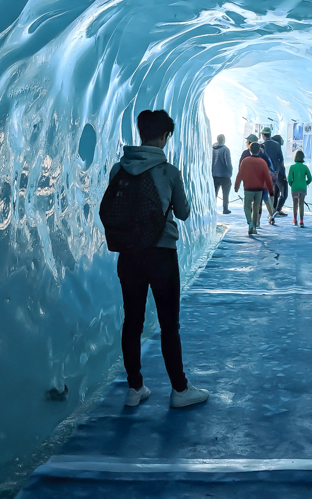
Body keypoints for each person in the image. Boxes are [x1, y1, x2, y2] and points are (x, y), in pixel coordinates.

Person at [107, 109, 209, 409]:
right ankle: (179, 389)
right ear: (165, 137)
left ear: (141, 132)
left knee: (132, 322)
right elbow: (183, 212)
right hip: (161, 254)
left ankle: (135, 388)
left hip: (128, 255)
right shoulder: (168, 171)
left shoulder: (118, 170)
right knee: (168, 325)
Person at [234, 141, 274, 236]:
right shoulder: (262, 162)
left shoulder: (245, 161)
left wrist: (236, 186)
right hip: (259, 189)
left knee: (247, 207)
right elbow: (267, 178)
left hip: (248, 188)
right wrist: (271, 191)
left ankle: (250, 223)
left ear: (250, 149)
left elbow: (240, 175)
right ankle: (254, 228)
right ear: (259, 150)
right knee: (256, 208)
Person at [287, 148, 312, 227]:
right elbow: (310, 178)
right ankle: (301, 221)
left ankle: (295, 220)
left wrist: (292, 184)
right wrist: (305, 183)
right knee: (301, 204)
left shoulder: (292, 167)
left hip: (295, 187)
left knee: (295, 204)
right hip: (303, 188)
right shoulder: (305, 167)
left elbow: (289, 179)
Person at [211, 134, 233, 215]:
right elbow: (228, 162)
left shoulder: (212, 148)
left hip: (214, 175)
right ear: (223, 140)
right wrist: (230, 172)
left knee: (214, 193)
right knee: (225, 193)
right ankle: (225, 208)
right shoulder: (225, 149)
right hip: (224, 175)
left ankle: (212, 208)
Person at [271, 134, 289, 216]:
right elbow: (280, 163)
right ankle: (277, 209)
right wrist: (282, 174)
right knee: (284, 194)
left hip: (275, 174)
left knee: (276, 193)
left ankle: (274, 209)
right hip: (280, 175)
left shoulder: (273, 149)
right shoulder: (278, 148)